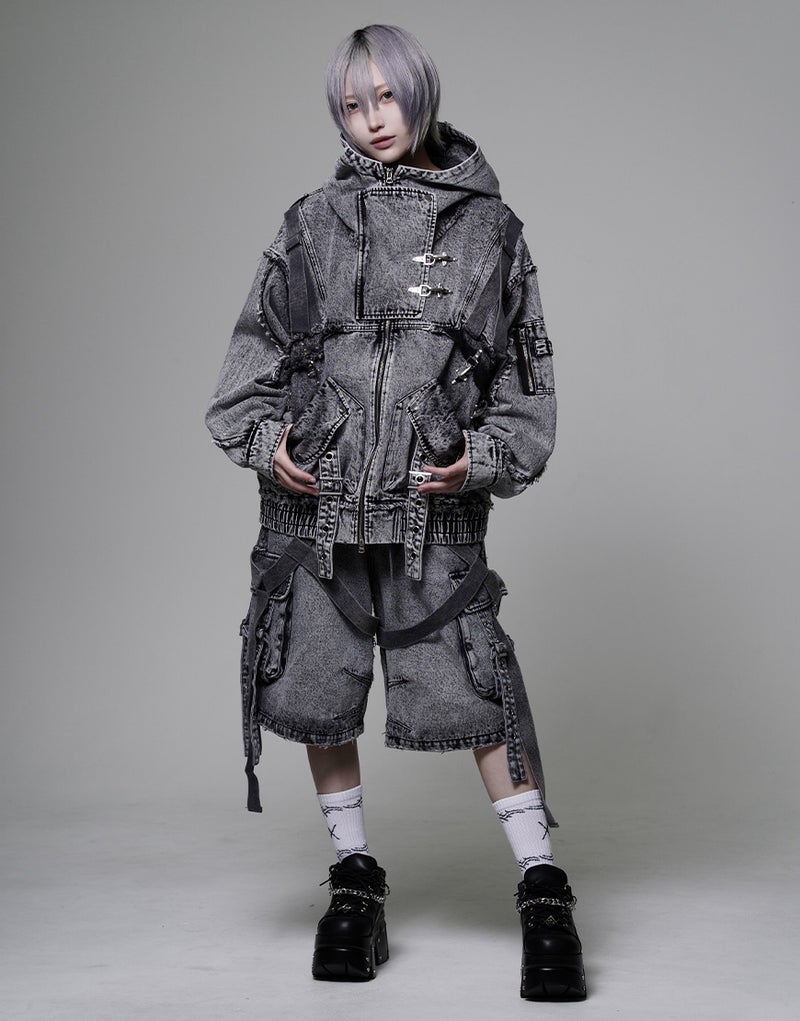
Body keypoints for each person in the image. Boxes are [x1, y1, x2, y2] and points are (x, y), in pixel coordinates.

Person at [205, 24, 586, 1001]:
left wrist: (480, 460)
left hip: (433, 521)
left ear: (420, 93)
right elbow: (247, 373)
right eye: (351, 103)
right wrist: (269, 443)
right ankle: (353, 875)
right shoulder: (309, 224)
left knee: (479, 689)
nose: (371, 119)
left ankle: (542, 885)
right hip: (314, 523)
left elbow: (525, 395)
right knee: (316, 687)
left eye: (385, 96)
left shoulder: (493, 234)